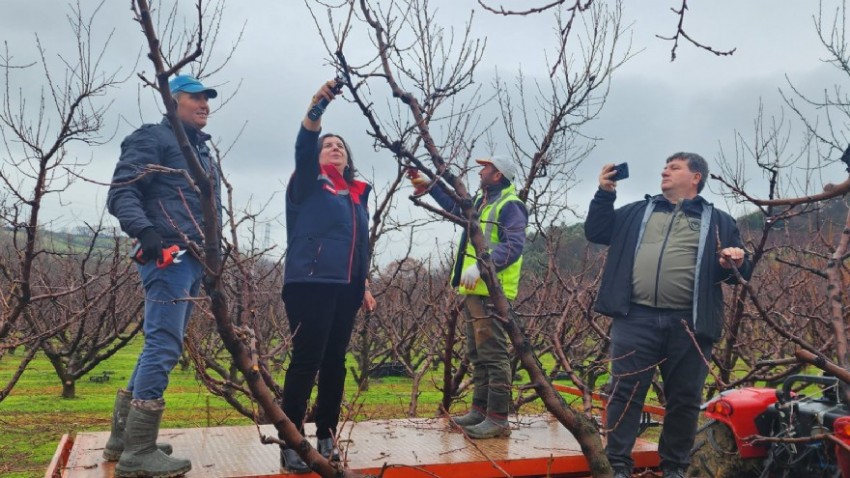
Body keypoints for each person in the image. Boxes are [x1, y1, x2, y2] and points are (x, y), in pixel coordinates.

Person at [584, 153, 752, 478]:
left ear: (696, 178)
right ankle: (617, 466)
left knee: (685, 400)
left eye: (674, 167)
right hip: (635, 318)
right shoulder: (636, 212)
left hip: (690, 324)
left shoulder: (719, 221)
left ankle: (674, 468)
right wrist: (605, 193)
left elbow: (740, 272)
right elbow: (597, 230)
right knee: (624, 393)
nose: (664, 171)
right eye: (664, 166)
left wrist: (735, 260)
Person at [104, 74, 220, 478]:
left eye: (207, 98)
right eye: (195, 98)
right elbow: (122, 191)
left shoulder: (201, 153)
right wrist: (145, 231)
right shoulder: (154, 137)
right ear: (173, 101)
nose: (204, 104)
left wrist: (212, 261)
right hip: (168, 255)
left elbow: (207, 211)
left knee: (160, 344)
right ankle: (138, 453)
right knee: (164, 347)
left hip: (192, 259)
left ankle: (124, 441)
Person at [279, 80, 377, 473]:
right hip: (311, 282)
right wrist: (317, 108)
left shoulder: (356, 194)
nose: (334, 148)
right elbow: (303, 148)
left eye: (340, 145)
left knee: (335, 361)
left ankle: (326, 434)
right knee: (307, 360)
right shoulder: (308, 183)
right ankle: (291, 442)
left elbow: (357, 246)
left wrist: (364, 283)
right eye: (327, 145)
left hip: (346, 287)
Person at [409, 156, 528, 439]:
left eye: (485, 168)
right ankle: (480, 410)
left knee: (494, 356)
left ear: (498, 175)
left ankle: (498, 419)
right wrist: (429, 186)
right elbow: (456, 208)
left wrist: (482, 265)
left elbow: (513, 246)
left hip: (492, 293)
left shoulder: (510, 205)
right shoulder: (482, 201)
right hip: (475, 292)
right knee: (478, 355)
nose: (480, 171)